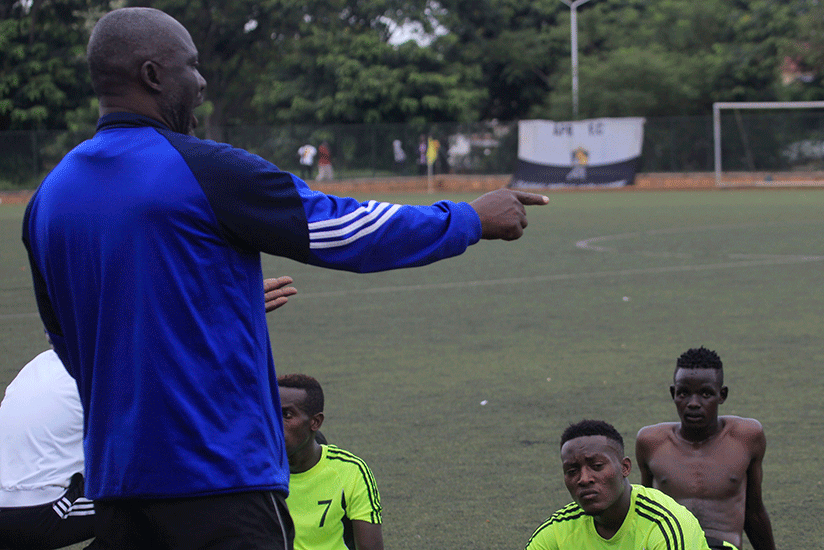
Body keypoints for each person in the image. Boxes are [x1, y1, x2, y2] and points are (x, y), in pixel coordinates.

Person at [22, 7, 547, 549]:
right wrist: (468, 220)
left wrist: (203, 317)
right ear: (153, 75)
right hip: (219, 480)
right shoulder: (204, 169)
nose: (201, 84)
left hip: (118, 486)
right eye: (192, 66)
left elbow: (69, 342)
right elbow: (340, 229)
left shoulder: (49, 199)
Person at [0, 278, 295, 550]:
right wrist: (226, 314)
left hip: (13, 505)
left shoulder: (44, 364)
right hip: (44, 511)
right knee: (171, 493)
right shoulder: (110, 367)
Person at [635, 347, 775, 550]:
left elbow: (753, 511)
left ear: (722, 395)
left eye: (706, 394)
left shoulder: (746, 437)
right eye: (684, 393)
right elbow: (646, 514)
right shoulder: (651, 442)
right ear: (673, 394)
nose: (693, 403)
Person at [524, 419, 710, 550]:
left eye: (597, 466)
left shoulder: (665, 524)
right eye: (572, 471)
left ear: (624, 467)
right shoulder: (560, 529)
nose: (584, 479)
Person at [0, 348, 95, 550]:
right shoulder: (100, 370)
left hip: (8, 506)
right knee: (150, 497)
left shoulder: (39, 362)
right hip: (38, 513)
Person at [278, 374, 382, 550]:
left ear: (315, 422)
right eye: (270, 413)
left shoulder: (351, 472)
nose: (274, 423)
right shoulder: (257, 474)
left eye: (286, 415)